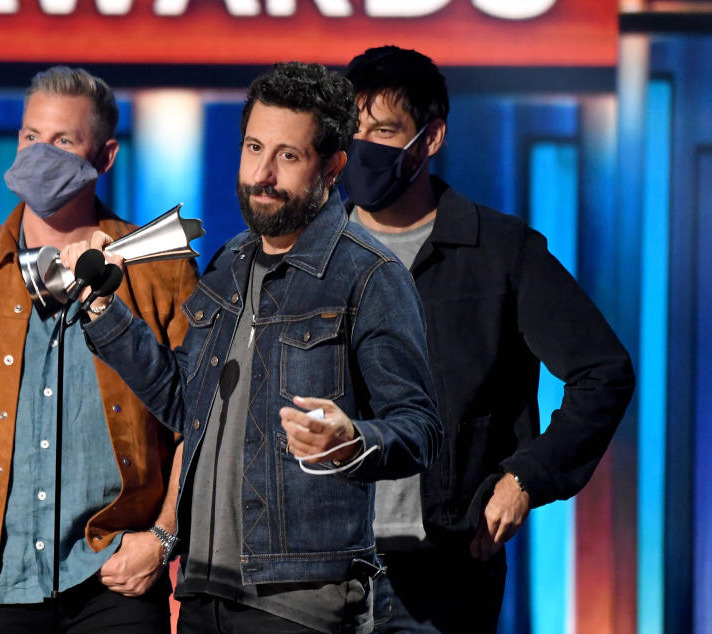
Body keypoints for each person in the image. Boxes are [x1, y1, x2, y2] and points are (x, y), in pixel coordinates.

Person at [66, 61, 442, 634]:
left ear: (332, 168)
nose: (262, 173)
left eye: (288, 156)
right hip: (199, 596)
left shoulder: (369, 274)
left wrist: (352, 440)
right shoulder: (228, 264)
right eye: (253, 147)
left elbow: (419, 429)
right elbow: (184, 406)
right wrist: (103, 309)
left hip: (298, 602)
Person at [0, 66, 198, 633]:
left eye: (63, 141)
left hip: (114, 576)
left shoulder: (160, 267)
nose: (40, 154)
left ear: (104, 157)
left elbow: (200, 421)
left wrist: (163, 536)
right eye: (31, 137)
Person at [340, 46, 636, 633]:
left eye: (383, 130)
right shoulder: (311, 253)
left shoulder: (499, 251)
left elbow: (603, 371)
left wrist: (525, 478)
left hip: (443, 576)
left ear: (430, 138)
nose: (363, 146)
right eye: (353, 129)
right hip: (313, 574)